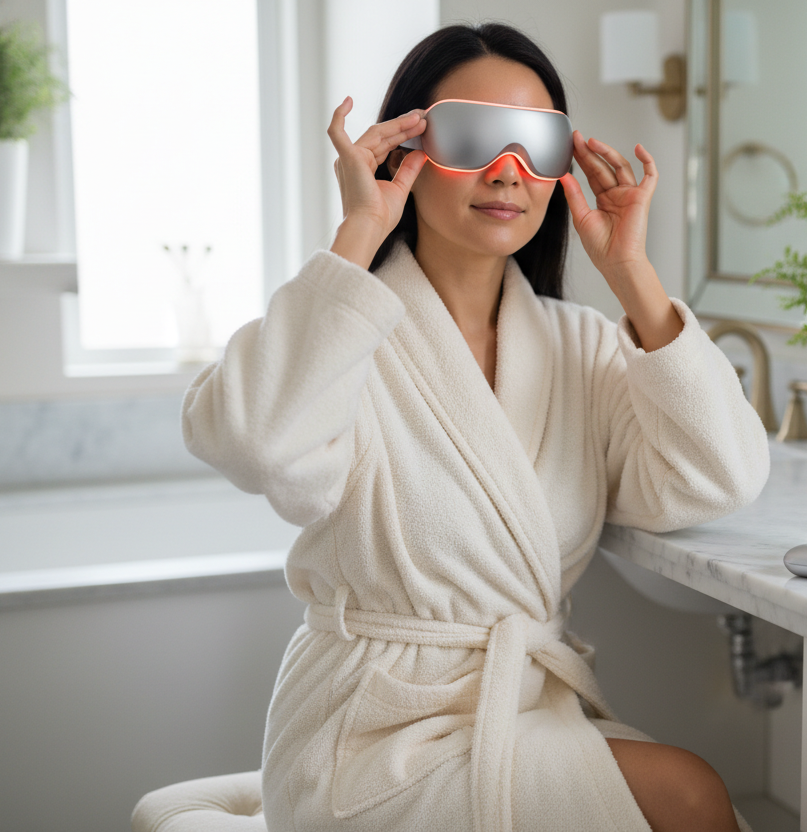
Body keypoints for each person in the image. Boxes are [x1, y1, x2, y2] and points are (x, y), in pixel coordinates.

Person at [181, 21, 769, 832]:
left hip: (522, 711)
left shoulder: (581, 346)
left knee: (687, 792)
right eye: (471, 137)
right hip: (368, 736)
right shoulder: (344, 336)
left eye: (536, 144)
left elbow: (719, 477)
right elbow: (256, 443)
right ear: (406, 153)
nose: (508, 171)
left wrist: (631, 273)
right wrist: (359, 232)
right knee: (692, 793)